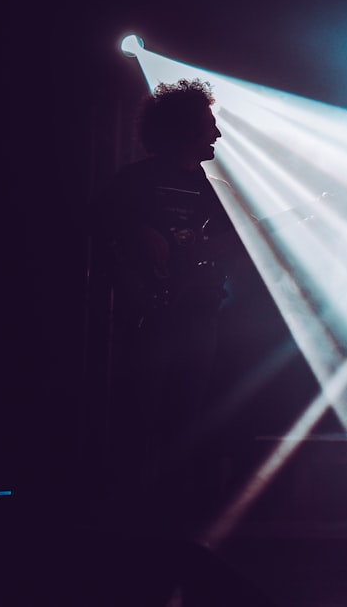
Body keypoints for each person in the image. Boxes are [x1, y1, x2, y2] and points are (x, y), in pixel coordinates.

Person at [92, 78, 243, 520]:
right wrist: (136, 234)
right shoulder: (135, 181)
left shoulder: (216, 191)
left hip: (199, 313)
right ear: (183, 129)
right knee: (138, 415)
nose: (216, 134)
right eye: (209, 125)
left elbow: (234, 242)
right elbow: (96, 228)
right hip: (147, 315)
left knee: (187, 415)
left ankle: (172, 513)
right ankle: (130, 511)